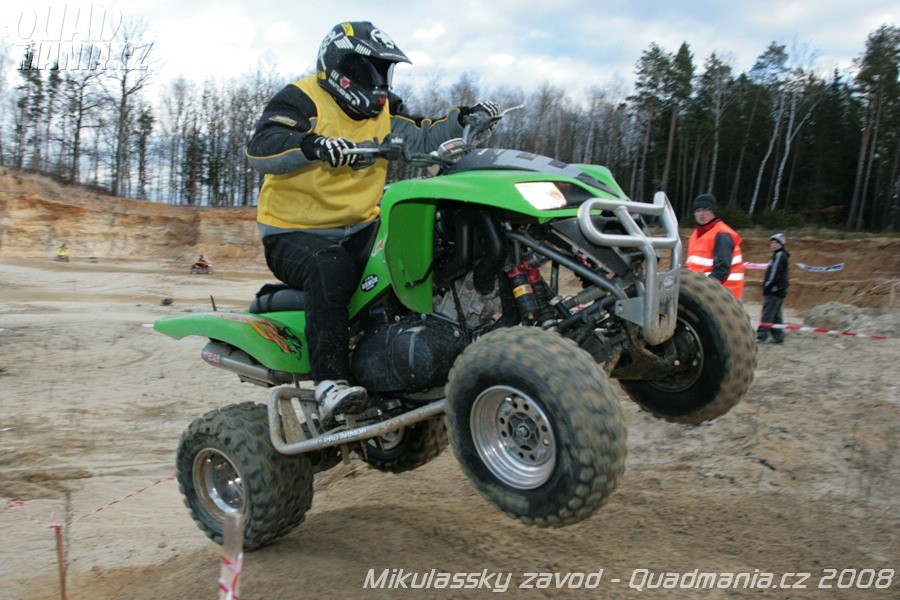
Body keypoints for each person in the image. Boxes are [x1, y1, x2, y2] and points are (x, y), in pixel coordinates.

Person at [245, 21, 499, 424]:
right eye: (367, 71)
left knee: (424, 244)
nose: (377, 82)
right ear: (339, 68)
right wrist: (313, 145)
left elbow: (423, 136)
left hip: (361, 226)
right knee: (331, 266)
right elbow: (262, 147)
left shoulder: (385, 109)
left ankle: (416, 354)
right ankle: (330, 383)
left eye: (383, 71)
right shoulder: (301, 99)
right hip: (293, 231)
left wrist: (465, 119)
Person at [685, 193, 744, 300]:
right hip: (704, 293)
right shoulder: (695, 235)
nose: (701, 214)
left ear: (714, 211)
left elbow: (722, 271)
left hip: (723, 295)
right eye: (698, 210)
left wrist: (702, 288)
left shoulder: (722, 235)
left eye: (705, 210)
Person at [756, 233, 789, 344]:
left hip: (774, 290)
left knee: (768, 314)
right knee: (776, 316)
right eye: (772, 243)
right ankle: (778, 338)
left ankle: (761, 336)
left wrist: (768, 285)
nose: (773, 245)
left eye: (776, 243)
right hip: (779, 290)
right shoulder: (780, 255)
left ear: (781, 244)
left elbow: (774, 272)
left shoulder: (779, 255)